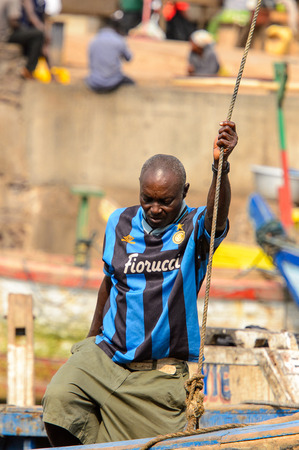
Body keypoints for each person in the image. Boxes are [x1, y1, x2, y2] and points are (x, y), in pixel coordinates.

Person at [42, 120, 238, 446]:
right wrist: (90, 341)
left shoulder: (194, 227)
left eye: (166, 201)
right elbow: (110, 282)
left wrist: (221, 168)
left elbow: (218, 215)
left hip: (159, 375)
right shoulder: (119, 221)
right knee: (59, 400)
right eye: (148, 199)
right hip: (107, 356)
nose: (155, 209)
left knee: (159, 443)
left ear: (184, 194)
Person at [85, 16, 135, 93]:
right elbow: (129, 58)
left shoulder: (94, 40)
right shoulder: (119, 40)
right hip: (112, 82)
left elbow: (91, 61)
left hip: (94, 82)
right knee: (132, 84)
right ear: (117, 28)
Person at [0, 0, 44, 79]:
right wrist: (24, 29)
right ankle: (29, 70)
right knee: (38, 34)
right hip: (6, 35)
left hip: (3, 34)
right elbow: (13, 21)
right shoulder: (13, 1)